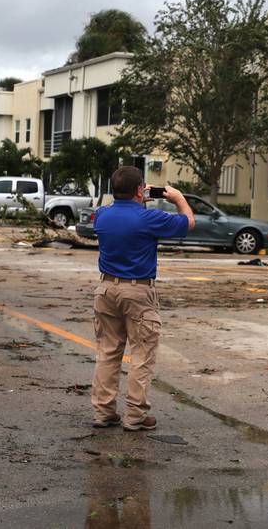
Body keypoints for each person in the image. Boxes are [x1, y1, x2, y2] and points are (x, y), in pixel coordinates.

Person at [90, 166, 193, 431]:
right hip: (137, 291)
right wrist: (178, 198)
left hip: (106, 289)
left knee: (108, 352)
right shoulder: (149, 219)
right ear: (140, 190)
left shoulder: (101, 216)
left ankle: (104, 411)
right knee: (142, 354)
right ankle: (135, 415)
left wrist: (135, 199)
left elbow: (119, 213)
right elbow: (188, 223)